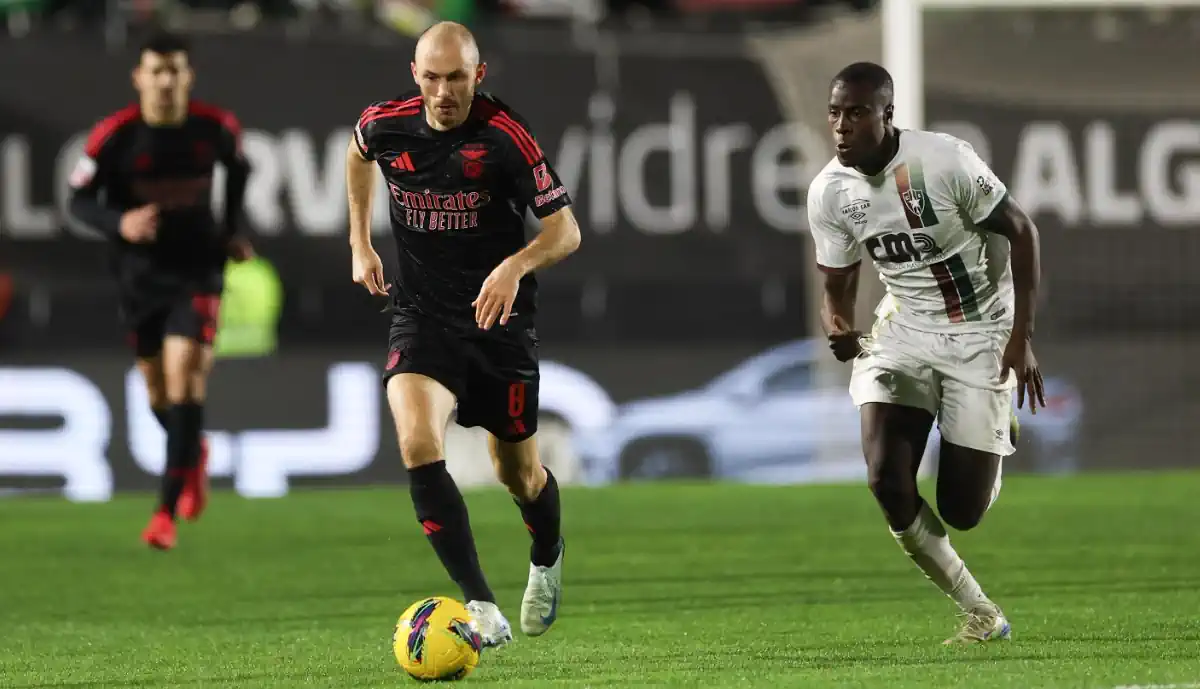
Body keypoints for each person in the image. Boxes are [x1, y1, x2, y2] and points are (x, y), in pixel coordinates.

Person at [344, 22, 581, 647]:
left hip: (498, 324)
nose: (444, 91)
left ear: (479, 76)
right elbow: (357, 152)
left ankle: (548, 553)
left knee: (519, 475)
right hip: (421, 316)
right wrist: (360, 240)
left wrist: (514, 265)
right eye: (432, 77)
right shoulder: (384, 124)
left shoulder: (505, 136)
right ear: (414, 74)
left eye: (456, 78)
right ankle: (480, 606)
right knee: (417, 442)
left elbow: (566, 232)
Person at [805, 62, 1046, 644]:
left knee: (961, 510)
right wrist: (837, 324)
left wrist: (1021, 339)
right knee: (886, 480)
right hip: (904, 331)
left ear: (887, 114)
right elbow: (835, 292)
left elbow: (1023, 232)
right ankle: (981, 610)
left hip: (982, 330)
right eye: (835, 112)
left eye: (857, 112)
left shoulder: (944, 160)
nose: (842, 126)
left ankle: (994, 419)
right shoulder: (830, 192)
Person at [66, 32, 254, 551]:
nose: (166, 80)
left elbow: (238, 170)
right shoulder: (114, 135)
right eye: (157, 70)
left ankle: (164, 511)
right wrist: (119, 221)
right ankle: (192, 451)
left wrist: (233, 229)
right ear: (140, 78)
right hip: (140, 276)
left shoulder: (215, 128)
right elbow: (78, 201)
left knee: (185, 377)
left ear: (187, 77)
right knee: (158, 391)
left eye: (175, 70)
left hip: (198, 271)